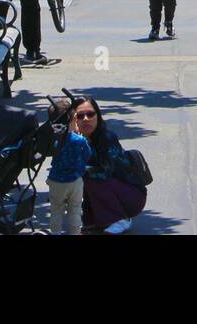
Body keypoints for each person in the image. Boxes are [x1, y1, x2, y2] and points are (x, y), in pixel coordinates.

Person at [73, 96, 147, 233]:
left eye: (90, 114)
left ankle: (119, 219)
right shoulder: (75, 139)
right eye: (80, 115)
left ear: (98, 116)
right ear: (74, 119)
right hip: (111, 192)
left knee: (89, 178)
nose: (86, 119)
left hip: (132, 196)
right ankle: (96, 219)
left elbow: (105, 172)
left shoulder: (107, 138)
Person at [46, 97, 91, 235]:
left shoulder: (53, 140)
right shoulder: (79, 140)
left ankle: (55, 232)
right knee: (75, 209)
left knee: (56, 209)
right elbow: (88, 155)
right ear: (71, 121)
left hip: (56, 180)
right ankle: (75, 232)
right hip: (75, 180)